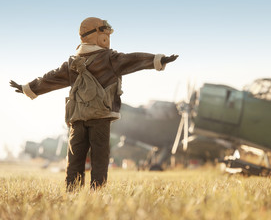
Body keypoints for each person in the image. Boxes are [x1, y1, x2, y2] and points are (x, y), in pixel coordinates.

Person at [10, 17, 178, 190]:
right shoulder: (109, 58)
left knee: (75, 158)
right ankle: (97, 192)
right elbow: (133, 60)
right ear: (99, 36)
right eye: (106, 34)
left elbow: (50, 78)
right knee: (100, 157)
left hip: (77, 118)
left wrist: (27, 88)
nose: (108, 38)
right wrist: (158, 60)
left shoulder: (72, 63)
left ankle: (72, 192)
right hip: (100, 117)